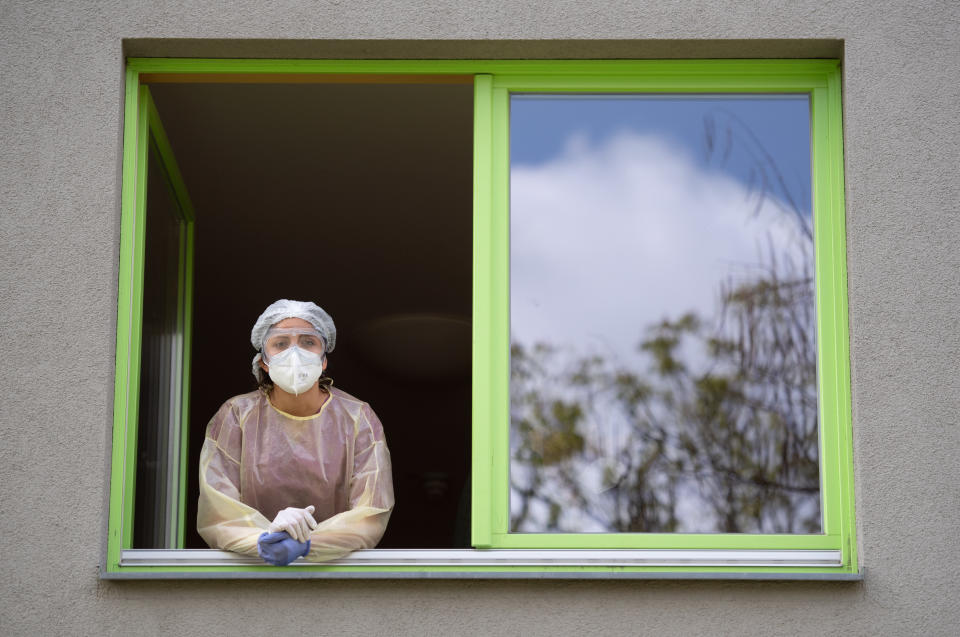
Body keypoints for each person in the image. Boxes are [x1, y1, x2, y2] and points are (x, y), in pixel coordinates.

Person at [197, 299, 394, 565]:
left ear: (323, 359)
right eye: (280, 343)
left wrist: (305, 545)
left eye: (308, 342)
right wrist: (264, 539)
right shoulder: (236, 415)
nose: (295, 353)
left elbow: (370, 516)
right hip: (252, 573)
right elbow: (218, 512)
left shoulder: (357, 418)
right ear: (264, 361)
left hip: (332, 574)